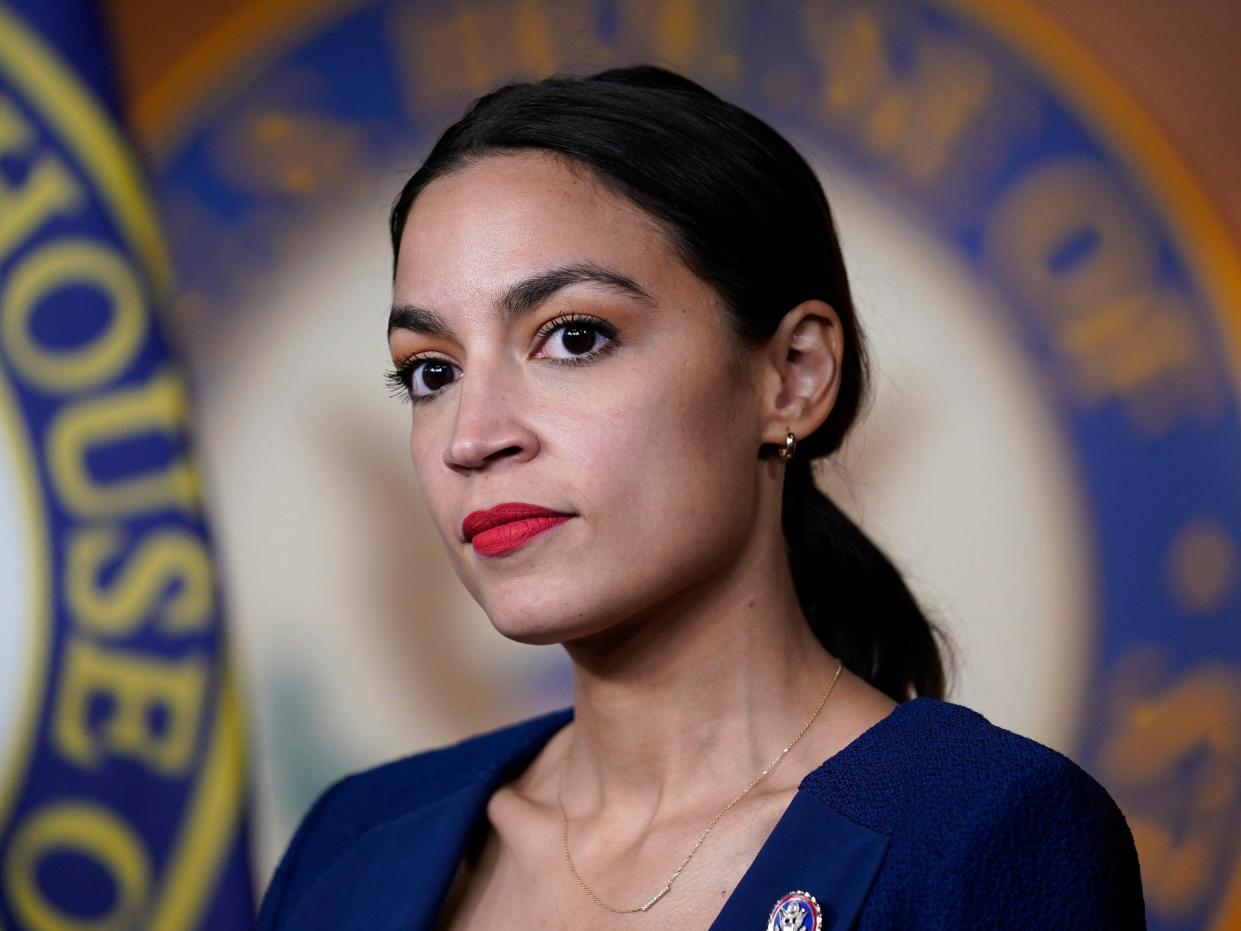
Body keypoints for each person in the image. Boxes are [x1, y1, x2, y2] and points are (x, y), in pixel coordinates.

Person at [256, 65, 1146, 930]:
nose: (471, 436)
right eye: (431, 371)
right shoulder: (352, 840)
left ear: (792, 375)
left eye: (573, 336)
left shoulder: (979, 833)